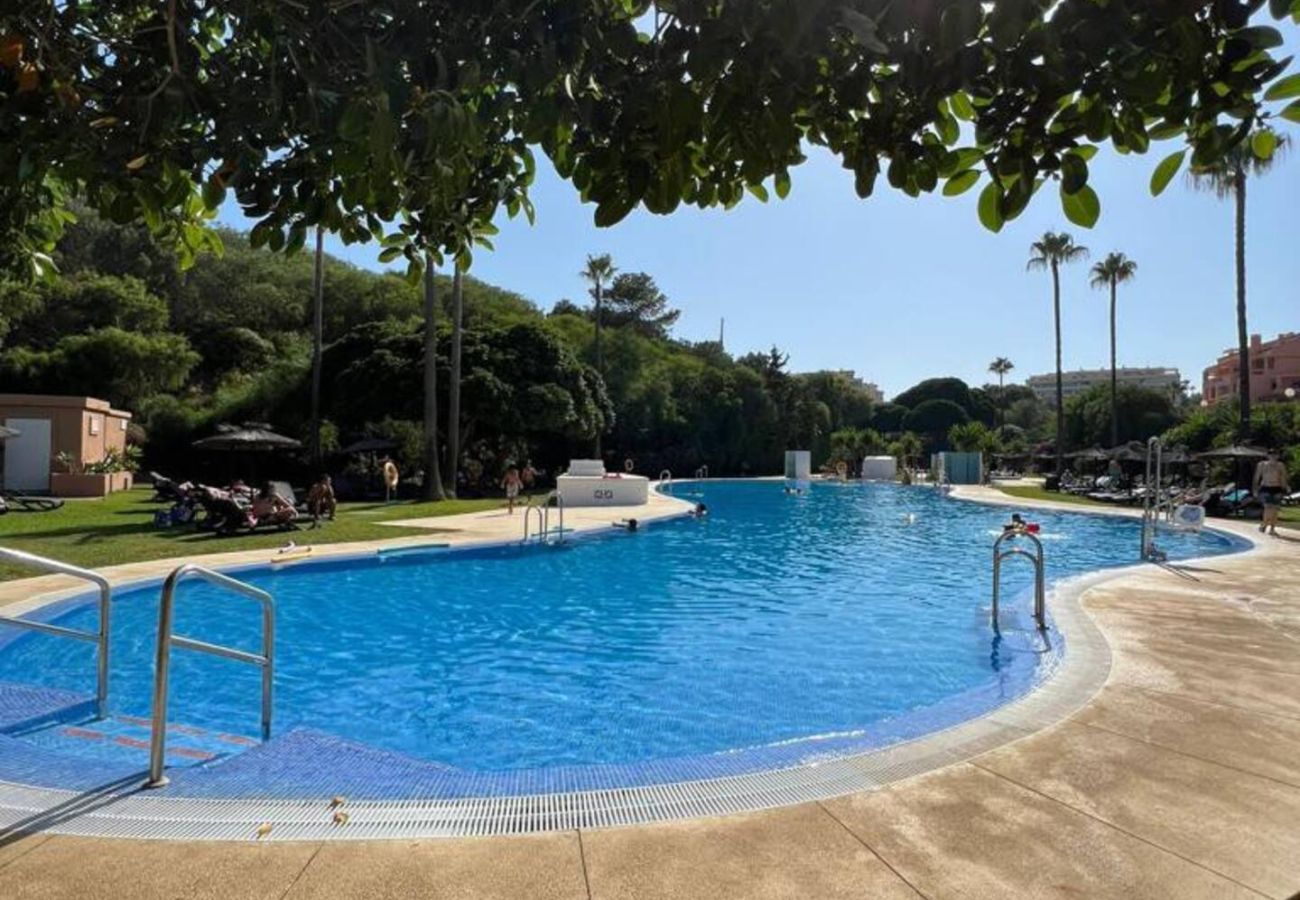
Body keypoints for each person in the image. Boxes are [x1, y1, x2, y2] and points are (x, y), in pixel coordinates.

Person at [1253, 449, 1291, 536]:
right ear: (1268, 456)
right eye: (1271, 455)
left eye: (1275, 455)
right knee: (1268, 507)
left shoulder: (1280, 465)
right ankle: (1264, 524)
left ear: (1278, 456)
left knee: (1275, 509)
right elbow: (1256, 477)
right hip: (1265, 488)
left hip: (1277, 488)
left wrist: (1286, 487)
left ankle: (1272, 528)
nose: (1273, 457)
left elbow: (1283, 477)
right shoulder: (1262, 465)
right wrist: (1255, 489)